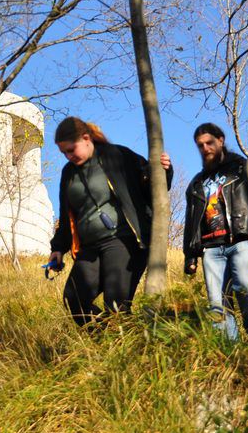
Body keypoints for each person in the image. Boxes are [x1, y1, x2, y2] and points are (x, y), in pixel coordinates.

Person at [49, 117, 173, 326]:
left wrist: (163, 170)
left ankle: (127, 347)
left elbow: (151, 185)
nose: (68, 157)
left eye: (71, 150)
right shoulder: (68, 172)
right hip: (89, 247)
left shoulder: (117, 155)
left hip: (123, 240)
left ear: (86, 138)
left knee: (116, 306)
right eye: (64, 153)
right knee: (74, 300)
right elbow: (66, 213)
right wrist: (58, 248)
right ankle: (108, 342)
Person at [183, 123, 248, 343]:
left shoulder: (244, 169)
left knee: (247, 286)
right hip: (210, 249)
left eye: (209, 143)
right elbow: (191, 222)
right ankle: (230, 350)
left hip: (241, 241)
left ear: (221, 140)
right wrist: (190, 255)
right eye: (200, 145)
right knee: (217, 302)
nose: (205, 148)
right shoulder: (196, 183)